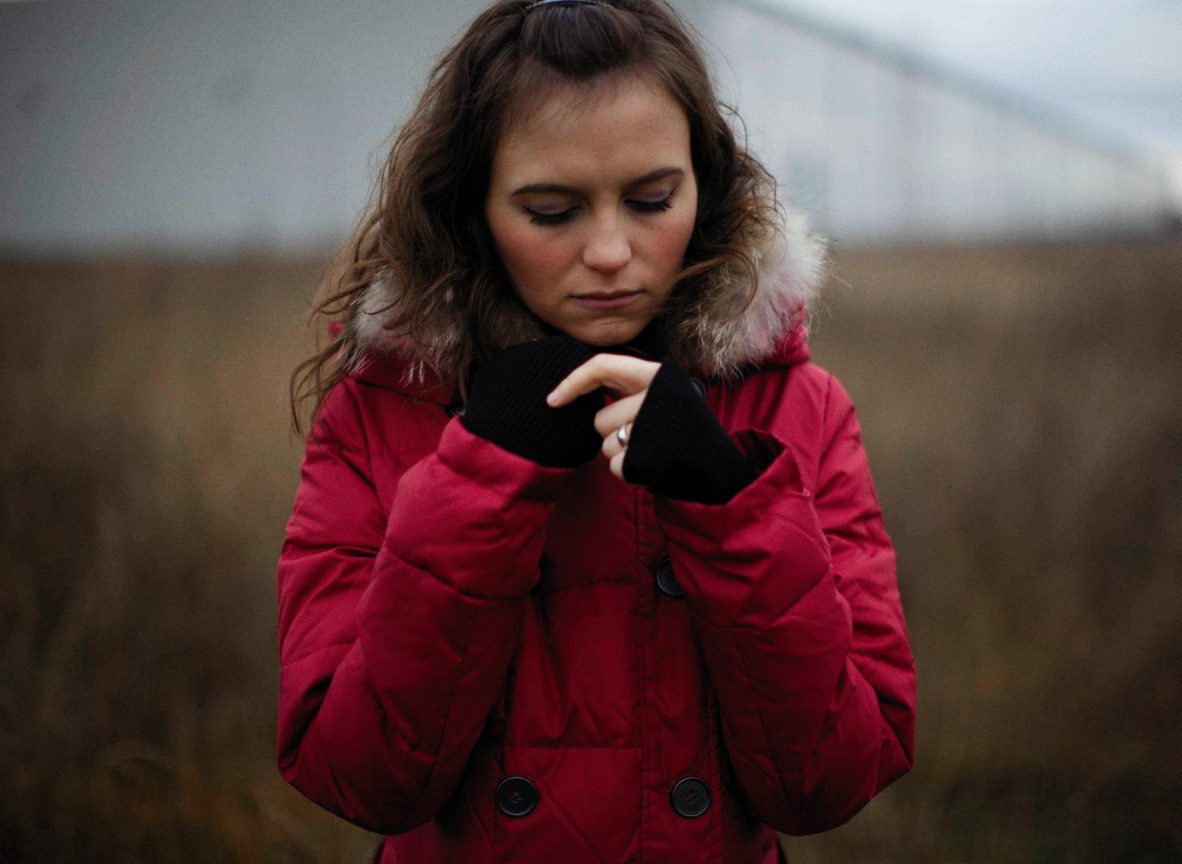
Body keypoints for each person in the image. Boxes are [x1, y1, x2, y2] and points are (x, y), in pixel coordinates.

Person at [277, 1, 915, 860]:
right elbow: (356, 775)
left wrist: (727, 504)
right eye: (551, 211)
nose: (612, 251)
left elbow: (832, 780)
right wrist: (481, 476)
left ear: (705, 184)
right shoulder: (381, 415)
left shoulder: (797, 412)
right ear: (472, 208)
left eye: (653, 198)